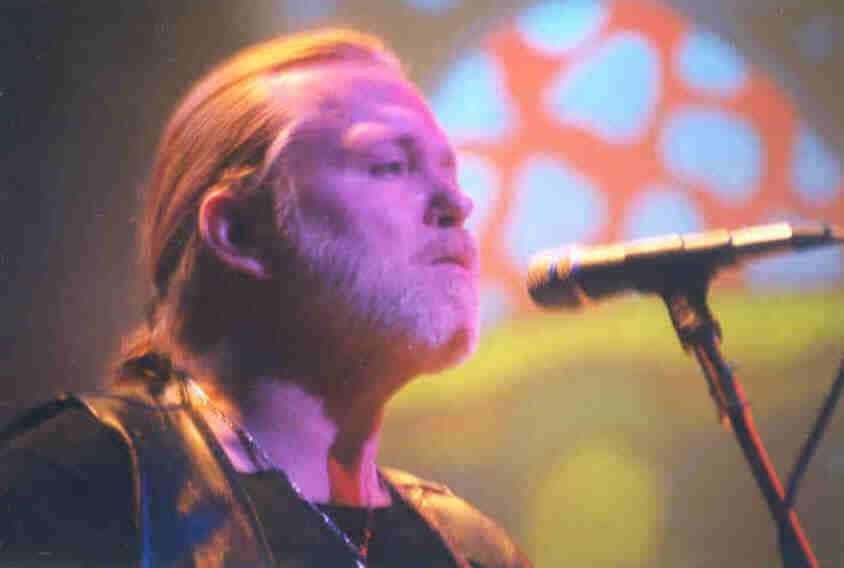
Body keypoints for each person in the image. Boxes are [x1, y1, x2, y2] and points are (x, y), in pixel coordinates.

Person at [0, 28, 532, 567]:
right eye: (390, 164)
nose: (457, 202)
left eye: (450, 171)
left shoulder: (473, 550)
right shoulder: (81, 484)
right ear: (239, 231)